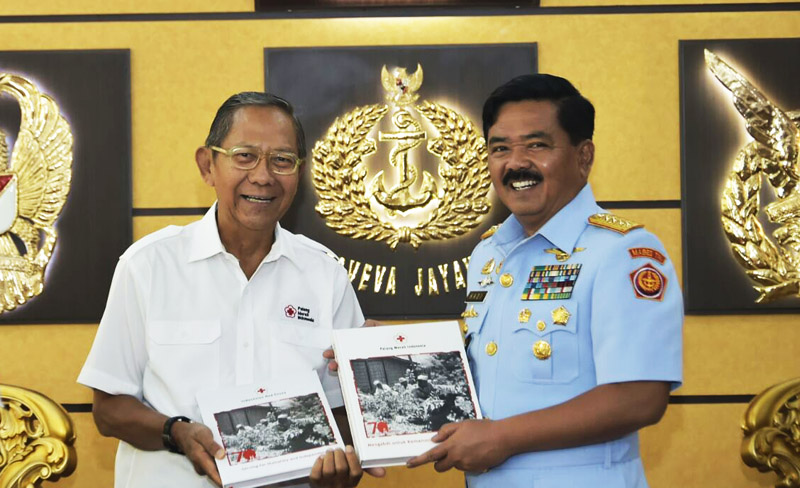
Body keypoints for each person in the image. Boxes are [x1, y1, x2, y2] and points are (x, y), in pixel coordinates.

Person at [78, 92, 383, 488]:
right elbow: (109, 409)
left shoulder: (326, 275)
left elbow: (342, 414)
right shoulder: (148, 265)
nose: (263, 176)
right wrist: (177, 432)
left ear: (299, 172)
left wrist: (341, 460)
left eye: (282, 160)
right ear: (208, 165)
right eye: (245, 156)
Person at [407, 74, 683, 487]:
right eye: (500, 148)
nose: (516, 163)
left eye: (536, 145)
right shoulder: (489, 253)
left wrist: (503, 437)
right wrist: (391, 350)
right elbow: (490, 367)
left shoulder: (623, 253)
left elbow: (640, 397)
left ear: (583, 156)